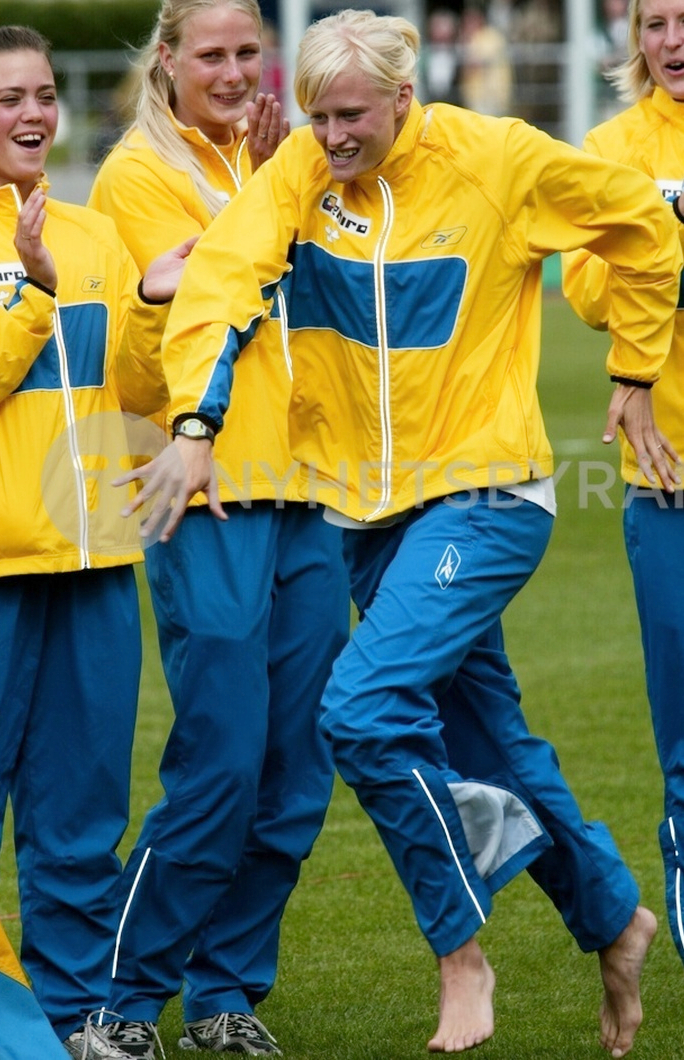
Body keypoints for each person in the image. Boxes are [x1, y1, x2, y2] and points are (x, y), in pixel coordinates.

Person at [107, 8, 682, 1056]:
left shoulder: (494, 157)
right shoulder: (296, 172)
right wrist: (195, 424)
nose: (330, 138)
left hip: (486, 495)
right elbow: (222, 282)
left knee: (362, 710)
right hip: (364, 519)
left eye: (351, 117)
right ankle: (611, 916)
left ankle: (459, 951)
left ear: (403, 97)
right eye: (317, 117)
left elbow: (643, 224)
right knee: (488, 744)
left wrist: (637, 367)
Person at [87, 0, 350, 1055]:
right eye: (212, 54)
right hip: (207, 495)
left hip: (310, 492)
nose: (235, 72)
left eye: (248, 51)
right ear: (168, 60)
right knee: (222, 764)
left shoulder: (289, 161)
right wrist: (176, 284)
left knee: (296, 770)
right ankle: (120, 1001)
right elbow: (138, 365)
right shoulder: (136, 177)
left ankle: (224, 992)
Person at [0, 22, 192, 1058]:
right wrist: (33, 294)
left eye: (45, 94)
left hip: (97, 560)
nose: (33, 113)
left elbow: (134, 392)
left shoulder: (95, 232)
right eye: (10, 96)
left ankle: (72, 1020)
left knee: (80, 815)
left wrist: (149, 302)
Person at [562, 0, 684, 976]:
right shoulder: (609, 151)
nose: (673, 42)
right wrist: (660, 239)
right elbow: (583, 288)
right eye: (655, 23)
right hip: (666, 485)